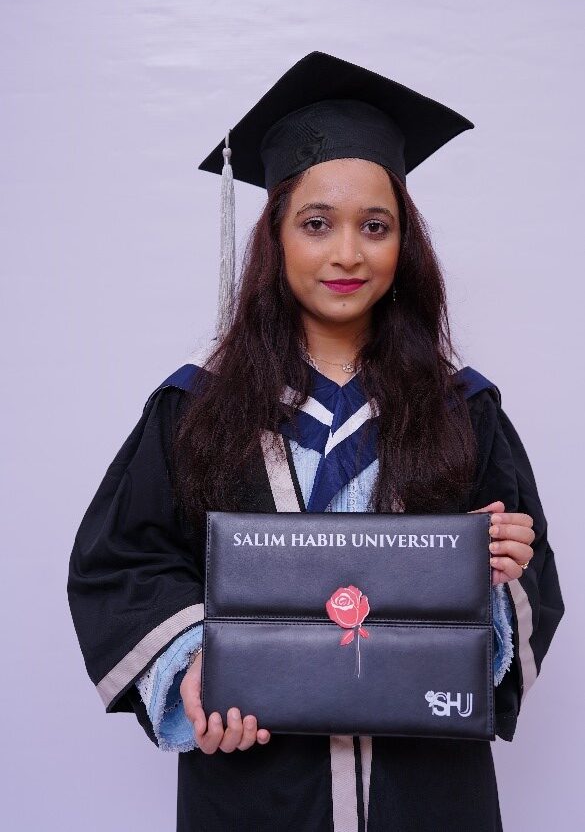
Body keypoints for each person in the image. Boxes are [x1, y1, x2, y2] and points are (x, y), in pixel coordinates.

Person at [67, 50, 565, 832]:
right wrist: (194, 666)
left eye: (375, 226)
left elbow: (531, 588)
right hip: (255, 786)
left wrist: (498, 572)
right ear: (275, 236)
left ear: (403, 246)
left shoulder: (462, 408)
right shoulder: (195, 407)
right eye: (316, 224)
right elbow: (123, 562)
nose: (346, 254)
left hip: (425, 792)